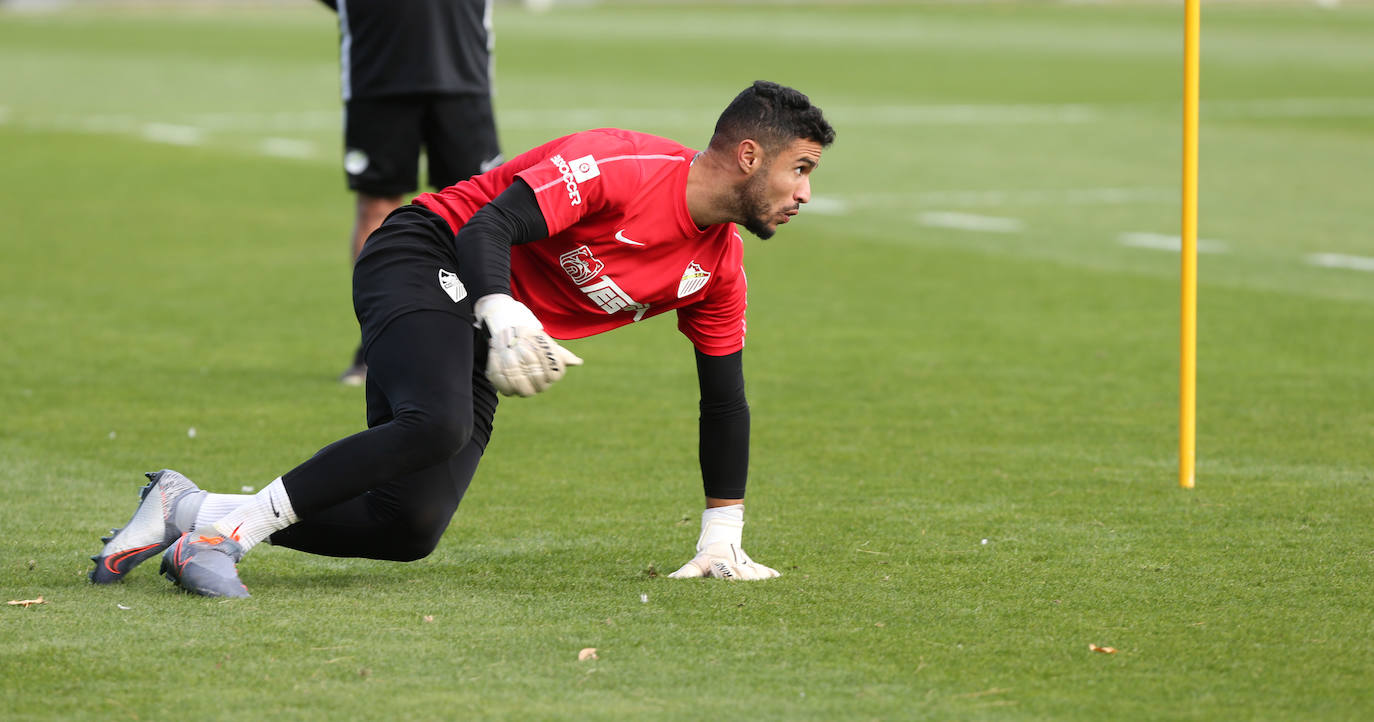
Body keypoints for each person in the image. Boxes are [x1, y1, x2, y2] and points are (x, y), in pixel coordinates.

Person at [88, 81, 835, 597]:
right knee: (437, 424)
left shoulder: (717, 271)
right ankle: (226, 540)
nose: (804, 193)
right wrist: (502, 307)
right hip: (427, 253)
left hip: (483, 318)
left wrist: (720, 535)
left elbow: (724, 400)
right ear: (747, 156)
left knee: (406, 527)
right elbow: (489, 225)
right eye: (798, 169)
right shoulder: (620, 164)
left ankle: (186, 509)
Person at [319, 0, 504, 385]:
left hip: (463, 71)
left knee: (475, 210)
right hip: (379, 72)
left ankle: (479, 339)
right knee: (377, 206)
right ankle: (379, 343)